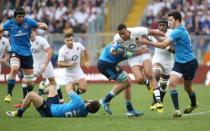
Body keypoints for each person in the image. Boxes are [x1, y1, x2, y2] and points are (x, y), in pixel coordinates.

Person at [138, 11, 199, 117]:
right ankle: (177, 110)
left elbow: (163, 45)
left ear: (177, 20)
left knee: (187, 88)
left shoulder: (178, 31)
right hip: (179, 63)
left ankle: (194, 104)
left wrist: (146, 42)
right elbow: (164, 41)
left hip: (190, 62)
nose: (169, 22)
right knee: (172, 83)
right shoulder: (177, 30)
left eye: (170, 20)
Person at [113, 24, 165, 112]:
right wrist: (115, 51)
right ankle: (147, 83)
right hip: (133, 57)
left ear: (127, 30)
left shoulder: (137, 31)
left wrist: (166, 35)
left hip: (144, 53)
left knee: (149, 74)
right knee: (139, 80)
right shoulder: (117, 38)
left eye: (123, 33)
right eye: (120, 34)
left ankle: (158, 101)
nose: (122, 36)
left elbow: (152, 32)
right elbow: (115, 50)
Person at [1, 7, 48, 102]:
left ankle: (27, 98)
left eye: (22, 16)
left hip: (27, 54)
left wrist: (44, 26)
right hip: (15, 51)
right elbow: (1, 28)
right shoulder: (9, 24)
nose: (21, 18)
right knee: (14, 69)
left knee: (30, 82)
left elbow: (39, 24)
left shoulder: (28, 21)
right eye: (19, 16)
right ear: (15, 17)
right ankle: (9, 94)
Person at [98, 41, 146, 117]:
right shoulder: (120, 44)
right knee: (125, 82)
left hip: (111, 64)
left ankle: (130, 110)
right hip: (106, 65)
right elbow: (116, 51)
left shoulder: (126, 44)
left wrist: (139, 50)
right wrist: (141, 51)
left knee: (128, 81)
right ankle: (105, 100)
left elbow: (126, 54)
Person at [6, 83, 100, 118]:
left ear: (90, 103)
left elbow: (68, 87)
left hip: (48, 111)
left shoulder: (79, 101)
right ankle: (40, 92)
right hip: (55, 106)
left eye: (91, 100)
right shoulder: (84, 114)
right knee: (53, 86)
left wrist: (75, 81)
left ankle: (19, 113)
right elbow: (76, 106)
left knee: (30, 94)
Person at [30, 29, 64, 102]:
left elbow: (50, 52)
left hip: (46, 63)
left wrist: (45, 65)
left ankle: (61, 99)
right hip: (35, 64)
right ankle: (25, 99)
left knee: (53, 82)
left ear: (35, 32)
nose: (31, 34)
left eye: (32, 32)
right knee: (29, 81)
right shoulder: (26, 42)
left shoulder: (41, 40)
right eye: (29, 33)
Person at [149, 18, 175, 110]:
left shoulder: (172, 33)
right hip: (157, 59)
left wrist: (167, 47)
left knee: (164, 85)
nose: (161, 27)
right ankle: (155, 99)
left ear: (167, 26)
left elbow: (173, 50)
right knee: (156, 74)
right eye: (160, 25)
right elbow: (143, 36)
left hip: (168, 61)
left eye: (163, 25)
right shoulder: (153, 32)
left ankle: (161, 101)